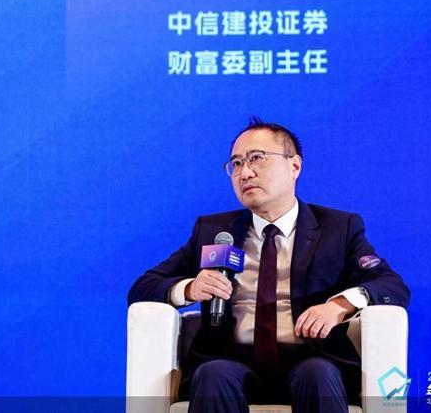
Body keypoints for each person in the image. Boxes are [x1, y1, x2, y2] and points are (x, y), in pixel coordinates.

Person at [128, 118, 410, 413]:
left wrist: (339, 306)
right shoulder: (213, 230)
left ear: (294, 166)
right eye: (236, 164)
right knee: (213, 374)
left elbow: (390, 284)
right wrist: (189, 288)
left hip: (312, 360)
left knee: (317, 374)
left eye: (257, 158)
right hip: (231, 363)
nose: (245, 173)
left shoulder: (338, 228)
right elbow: (144, 286)